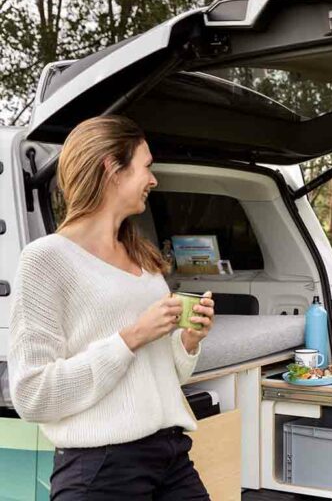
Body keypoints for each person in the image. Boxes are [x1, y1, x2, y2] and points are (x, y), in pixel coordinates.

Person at [8, 116, 216, 500]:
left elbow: (152, 373)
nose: (153, 180)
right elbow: (32, 394)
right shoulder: (47, 259)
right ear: (111, 168)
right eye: (146, 166)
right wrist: (132, 336)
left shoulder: (141, 255)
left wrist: (186, 341)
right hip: (102, 470)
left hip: (169, 455)